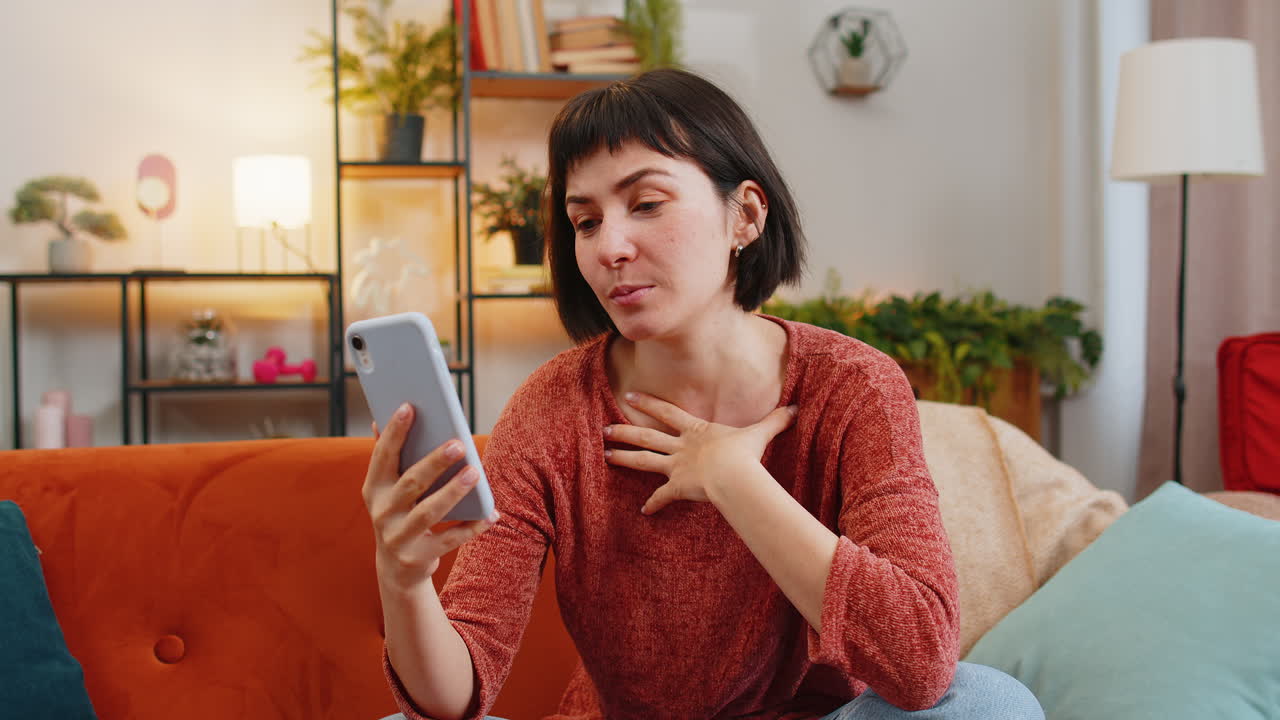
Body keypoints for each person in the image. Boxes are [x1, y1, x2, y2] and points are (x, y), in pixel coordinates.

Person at [365, 68, 1044, 720]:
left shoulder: (853, 385)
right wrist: (403, 579)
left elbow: (920, 664)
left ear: (744, 214)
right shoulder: (552, 409)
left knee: (990, 704)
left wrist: (732, 479)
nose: (610, 246)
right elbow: (453, 701)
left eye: (646, 204)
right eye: (586, 221)